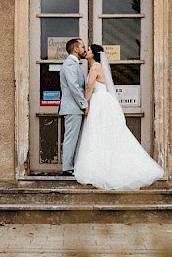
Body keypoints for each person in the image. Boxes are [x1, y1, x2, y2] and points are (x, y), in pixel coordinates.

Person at [74, 44, 163, 190]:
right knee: (105, 134)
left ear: (94, 54)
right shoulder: (96, 66)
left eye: (88, 50)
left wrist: (84, 104)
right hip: (104, 101)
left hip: (99, 102)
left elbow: (89, 87)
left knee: (97, 133)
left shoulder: (95, 66)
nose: (86, 52)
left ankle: (100, 169)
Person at [58, 37, 89, 176]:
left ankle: (71, 166)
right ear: (76, 49)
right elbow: (74, 87)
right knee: (71, 137)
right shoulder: (70, 64)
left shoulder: (74, 64)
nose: (84, 49)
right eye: (82, 47)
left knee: (74, 137)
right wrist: (84, 104)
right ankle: (67, 168)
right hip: (73, 108)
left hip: (74, 108)